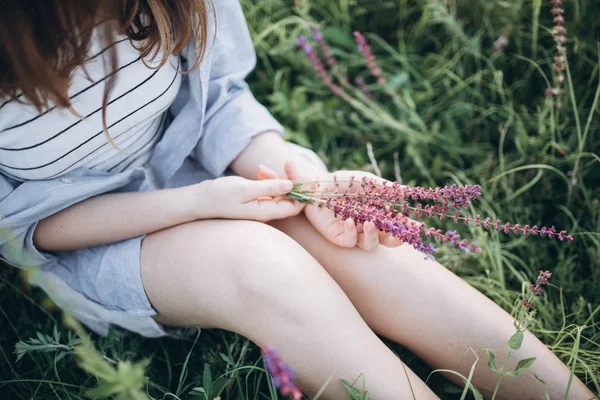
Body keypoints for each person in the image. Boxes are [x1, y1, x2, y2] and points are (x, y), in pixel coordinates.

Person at [0, 1, 594, 398]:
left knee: (365, 254)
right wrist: (201, 202)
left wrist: (309, 180)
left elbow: (222, 98)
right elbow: (28, 223)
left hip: (191, 165)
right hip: (82, 238)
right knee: (261, 267)